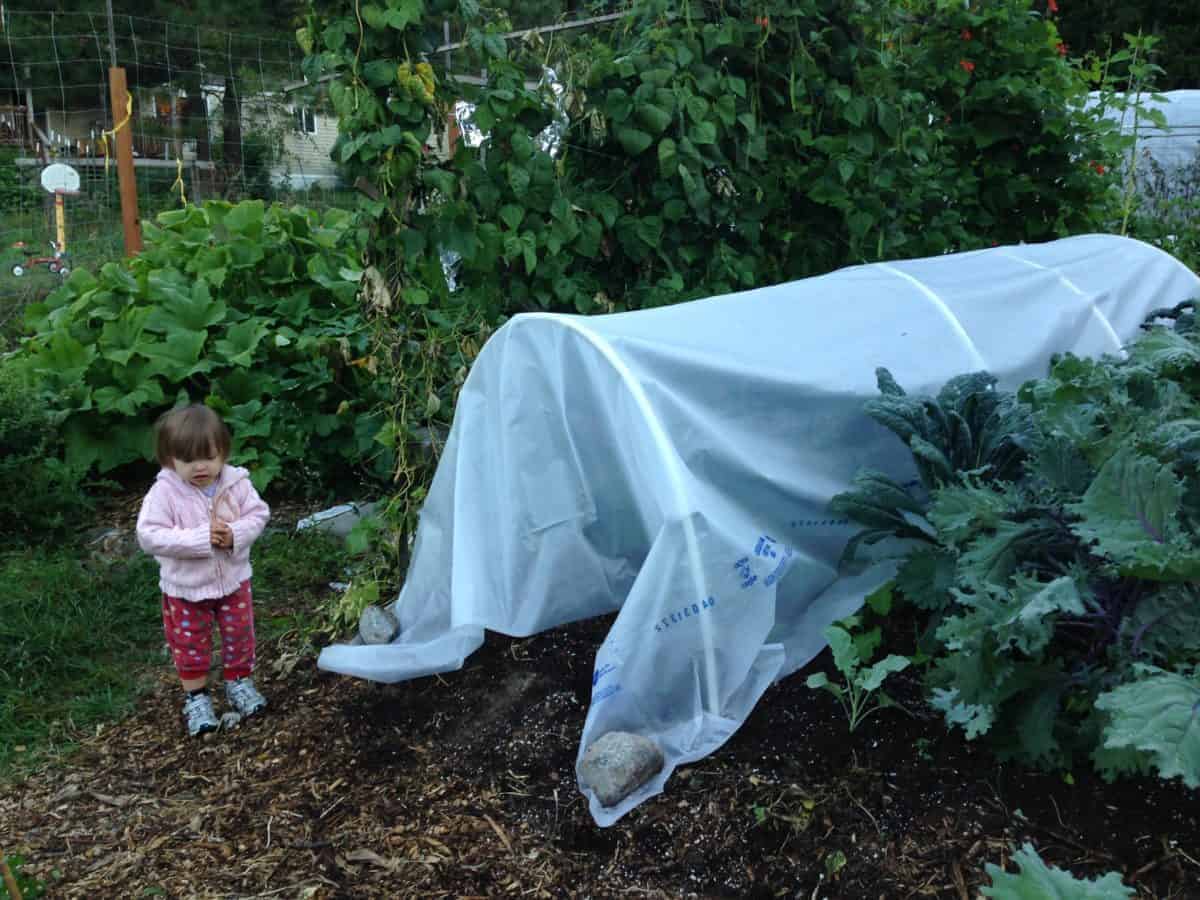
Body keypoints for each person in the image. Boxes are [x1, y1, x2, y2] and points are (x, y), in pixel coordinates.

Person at [136, 404, 271, 737]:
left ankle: (238, 682)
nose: (200, 467)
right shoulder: (164, 492)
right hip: (186, 588)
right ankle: (196, 698)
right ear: (169, 460)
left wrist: (235, 534)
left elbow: (258, 514)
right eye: (187, 461)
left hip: (233, 581)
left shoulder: (236, 483)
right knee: (190, 644)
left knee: (239, 635)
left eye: (209, 458)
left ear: (223, 453)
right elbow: (149, 535)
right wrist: (198, 539)